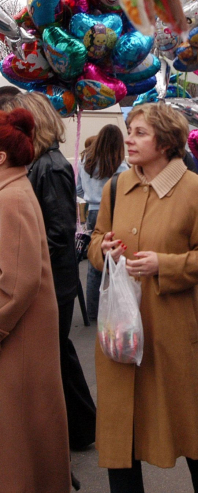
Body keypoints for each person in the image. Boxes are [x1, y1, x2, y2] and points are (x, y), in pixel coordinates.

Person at [88, 102, 198, 493]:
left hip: (173, 335)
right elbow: (96, 243)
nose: (129, 140)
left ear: (166, 142)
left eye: (140, 133)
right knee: (121, 435)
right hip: (122, 336)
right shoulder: (116, 187)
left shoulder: (197, 190)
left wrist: (164, 265)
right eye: (129, 130)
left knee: (193, 431)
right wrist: (106, 252)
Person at [0, 92, 97, 450]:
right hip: (50, 279)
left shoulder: (50, 166)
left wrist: (42, 284)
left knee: (51, 360)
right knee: (57, 357)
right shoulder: (42, 164)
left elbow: (58, 234)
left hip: (53, 281)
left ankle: (79, 429)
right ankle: (81, 428)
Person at [0, 108, 71, 493]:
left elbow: (16, 281)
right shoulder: (12, 189)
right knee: (27, 435)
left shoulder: (9, 197)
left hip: (17, 337)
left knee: (18, 441)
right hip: (22, 335)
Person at [76, 124, 128, 321]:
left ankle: (92, 310)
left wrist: (91, 196)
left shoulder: (85, 161)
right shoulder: (119, 166)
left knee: (94, 262)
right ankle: (117, 306)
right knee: (117, 259)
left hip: (92, 211)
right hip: (113, 211)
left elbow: (78, 189)